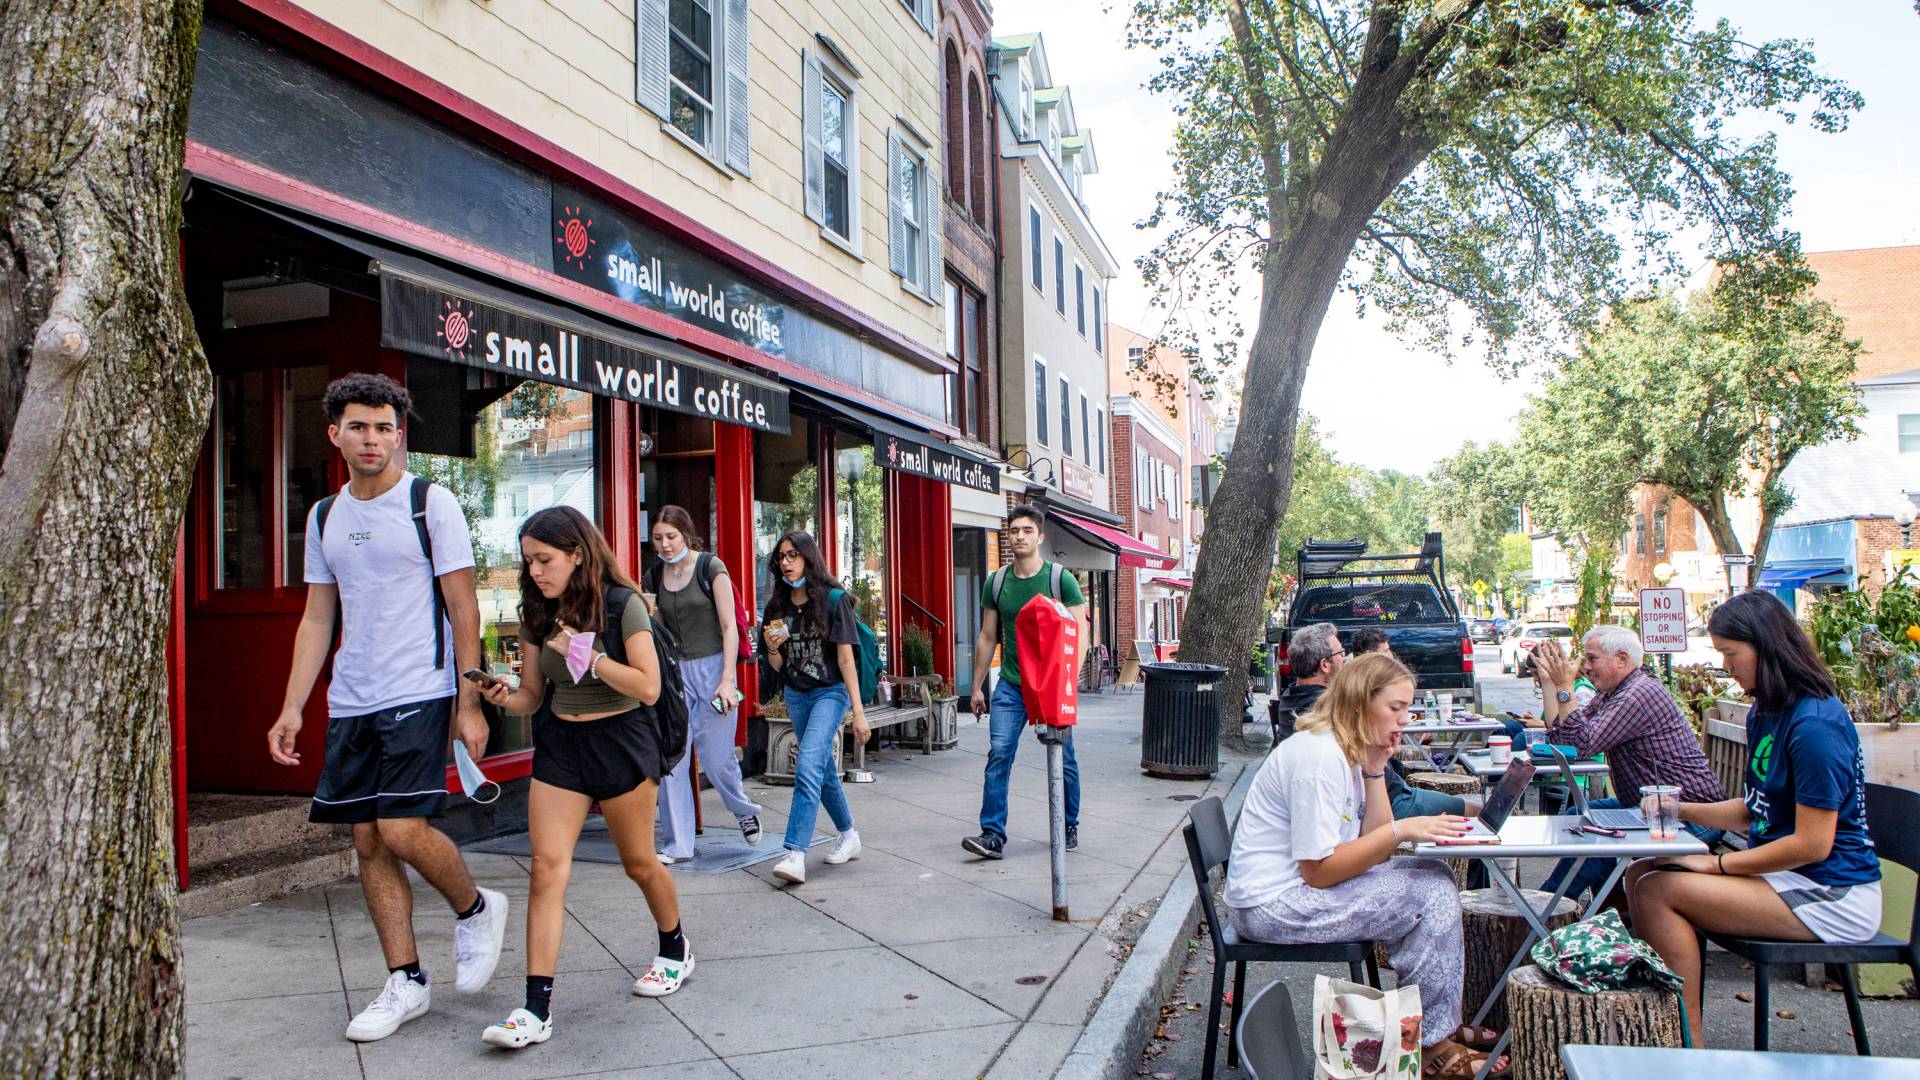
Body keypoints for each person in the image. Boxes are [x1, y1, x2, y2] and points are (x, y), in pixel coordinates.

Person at [267, 373, 508, 1043]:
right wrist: (293, 706)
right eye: (358, 426)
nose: (371, 438)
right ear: (335, 434)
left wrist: (469, 701)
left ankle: (475, 907)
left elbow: (465, 606)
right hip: (352, 698)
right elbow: (318, 618)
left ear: (398, 435)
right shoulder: (323, 517)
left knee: (401, 829)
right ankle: (406, 979)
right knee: (368, 837)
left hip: (420, 689)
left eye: (383, 427)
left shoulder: (430, 503)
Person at [1225, 653, 1507, 1078]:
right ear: (1360, 702)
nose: (1405, 720)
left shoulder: (1345, 750)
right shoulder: (1318, 759)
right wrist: (1401, 831)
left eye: (1407, 709)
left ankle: (1430, 1030)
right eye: (1396, 708)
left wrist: (1375, 771)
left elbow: (1370, 844)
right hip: (1271, 905)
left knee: (1435, 877)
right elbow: (1319, 871)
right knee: (1428, 894)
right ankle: (1431, 1045)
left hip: (1290, 893)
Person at [473, 506, 691, 1049]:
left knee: (639, 863)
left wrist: (586, 656)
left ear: (577, 554)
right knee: (546, 868)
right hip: (562, 747)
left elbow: (647, 686)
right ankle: (534, 1009)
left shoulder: (623, 606)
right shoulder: (535, 612)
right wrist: (502, 696)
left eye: (545, 560)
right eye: (528, 562)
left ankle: (675, 949)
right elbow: (532, 696)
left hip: (621, 742)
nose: (536, 572)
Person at [1626, 591, 1882, 1047]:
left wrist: (1717, 865)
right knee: (1643, 871)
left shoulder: (1815, 725)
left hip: (1834, 894)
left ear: (1766, 647)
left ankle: (1686, 1047)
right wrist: (1677, 809)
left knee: (1659, 889)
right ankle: (1674, 1035)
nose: (1725, 665)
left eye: (1730, 653)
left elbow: (1812, 844)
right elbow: (1752, 808)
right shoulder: (1768, 711)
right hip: (1790, 880)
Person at [1530, 626, 1724, 904]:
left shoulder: (1637, 694)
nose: (1586, 667)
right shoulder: (1614, 693)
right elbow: (1564, 735)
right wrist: (1551, 683)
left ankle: (1549, 905)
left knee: (1598, 836)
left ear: (1622, 658)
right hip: (1647, 807)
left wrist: (1564, 687)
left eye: (1592, 659)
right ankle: (1611, 905)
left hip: (1690, 816)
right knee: (1584, 815)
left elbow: (1582, 743)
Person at [961, 506, 1088, 860]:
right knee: (999, 754)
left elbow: (1080, 635)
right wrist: (976, 687)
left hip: (1051, 687)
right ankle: (992, 834)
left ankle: (1069, 823)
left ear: (1039, 537)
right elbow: (988, 637)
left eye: (1027, 530)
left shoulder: (1059, 579)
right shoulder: (997, 582)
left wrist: (1068, 686)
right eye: (1014, 530)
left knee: (1064, 758)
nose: (1019, 536)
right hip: (1012, 686)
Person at [646, 506, 763, 862]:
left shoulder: (711, 568)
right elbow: (658, 630)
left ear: (686, 534)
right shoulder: (653, 577)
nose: (665, 545)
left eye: (671, 537)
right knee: (673, 762)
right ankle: (677, 844)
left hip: (714, 673)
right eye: (658, 538)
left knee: (717, 760)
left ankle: (743, 811)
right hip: (676, 676)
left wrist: (728, 679)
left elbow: (731, 626)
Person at [761, 531, 868, 885]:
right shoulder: (777, 607)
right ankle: (849, 834)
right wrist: (773, 648)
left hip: (829, 693)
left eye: (793, 555)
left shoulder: (833, 600)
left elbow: (846, 659)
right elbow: (776, 667)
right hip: (796, 694)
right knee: (819, 769)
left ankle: (795, 853)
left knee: (807, 763)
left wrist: (859, 711)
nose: (787, 563)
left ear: (808, 557)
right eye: (781, 558)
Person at [1271, 622, 1346, 744]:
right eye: (1341, 653)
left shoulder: (1290, 694)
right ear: (1324, 665)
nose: (1344, 658)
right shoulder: (1328, 708)